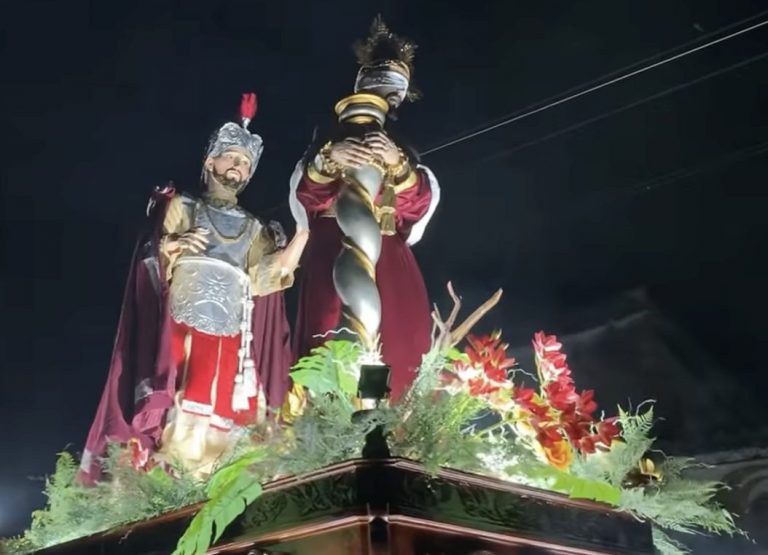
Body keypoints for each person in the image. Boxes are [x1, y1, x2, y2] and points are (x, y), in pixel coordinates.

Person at [81, 93, 308, 480]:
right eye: (231, 157)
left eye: (245, 162)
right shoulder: (181, 205)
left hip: (230, 337)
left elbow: (268, 277)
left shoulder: (256, 229)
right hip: (180, 327)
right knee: (176, 403)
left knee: (221, 411)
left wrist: (304, 229)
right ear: (210, 161)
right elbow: (152, 253)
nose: (237, 166)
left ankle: (206, 481)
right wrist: (172, 246)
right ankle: (160, 480)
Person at [289, 17, 440, 400]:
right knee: (331, 343)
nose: (391, 98)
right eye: (384, 87)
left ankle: (383, 420)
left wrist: (398, 165)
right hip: (334, 253)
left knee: (393, 348)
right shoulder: (326, 142)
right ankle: (331, 420)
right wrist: (329, 160)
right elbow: (307, 200)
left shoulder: (403, 149)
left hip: (388, 256)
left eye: (397, 93)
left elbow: (417, 208)